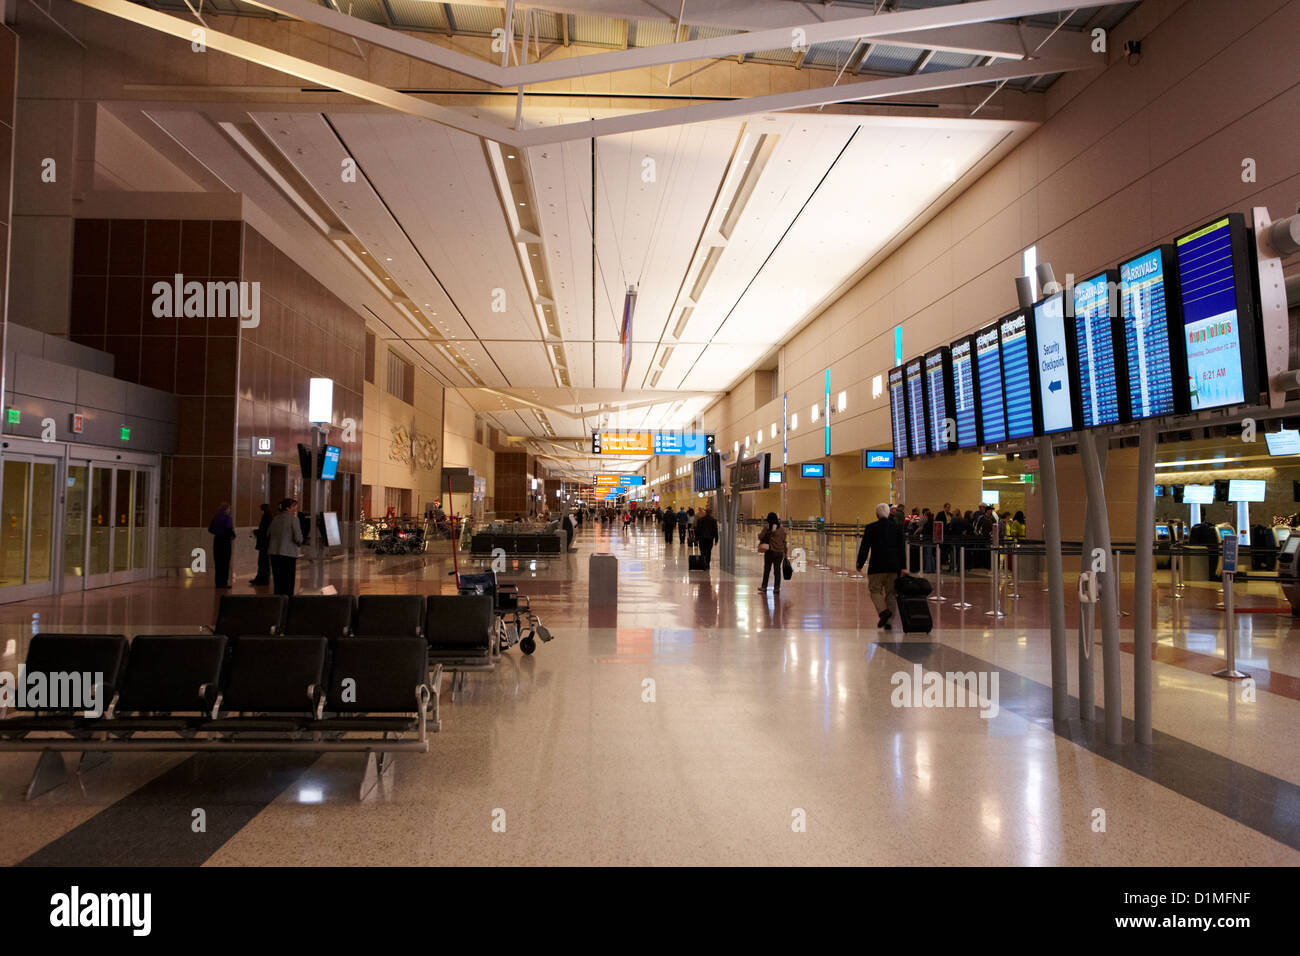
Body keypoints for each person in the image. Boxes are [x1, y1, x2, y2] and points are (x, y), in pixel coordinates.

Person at [857, 502, 907, 630]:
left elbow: (865, 547)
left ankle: (883, 611)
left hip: (876, 566)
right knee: (891, 593)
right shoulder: (897, 528)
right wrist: (903, 567)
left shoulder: (871, 528)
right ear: (889, 513)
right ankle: (889, 621)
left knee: (875, 591)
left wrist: (860, 563)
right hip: (893, 567)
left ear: (876, 514)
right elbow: (901, 548)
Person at [267, 497, 304, 596]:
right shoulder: (293, 519)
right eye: (294, 506)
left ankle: (278, 600)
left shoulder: (275, 518)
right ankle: (287, 601)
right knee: (288, 581)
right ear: (288, 508)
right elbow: (298, 538)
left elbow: (268, 534)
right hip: (288, 553)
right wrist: (300, 542)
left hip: (274, 553)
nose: (296, 508)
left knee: (278, 579)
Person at [757, 512, 787, 593]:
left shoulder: (767, 528)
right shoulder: (782, 529)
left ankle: (764, 587)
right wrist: (785, 551)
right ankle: (776, 588)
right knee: (777, 571)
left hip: (770, 551)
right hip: (779, 552)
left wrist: (759, 534)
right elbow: (784, 541)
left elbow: (761, 537)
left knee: (767, 569)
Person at [207, 502, 235, 588]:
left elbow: (210, 529)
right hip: (225, 541)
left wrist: (217, 533)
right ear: (226, 509)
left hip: (217, 540)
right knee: (225, 562)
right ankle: (224, 582)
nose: (229, 510)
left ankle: (218, 582)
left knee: (218, 562)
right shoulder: (227, 517)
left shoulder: (215, 517)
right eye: (229, 509)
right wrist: (233, 536)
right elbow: (229, 529)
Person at [249, 502, 272, 585]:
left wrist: (256, 532)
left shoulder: (266, 518)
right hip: (265, 543)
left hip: (264, 543)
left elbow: (264, 531)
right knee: (262, 562)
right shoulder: (268, 517)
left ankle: (263, 579)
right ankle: (261, 578)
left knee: (263, 562)